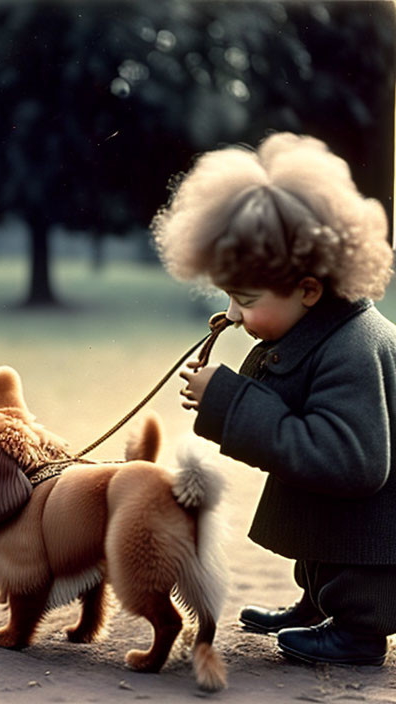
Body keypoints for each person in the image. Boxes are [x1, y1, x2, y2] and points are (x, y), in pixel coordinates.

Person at [151, 133, 396, 666]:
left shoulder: (354, 350)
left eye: (245, 300)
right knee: (324, 541)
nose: (234, 315)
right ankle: (318, 604)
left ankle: (358, 631)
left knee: (359, 564)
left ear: (309, 289)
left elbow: (352, 462)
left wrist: (229, 402)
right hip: (345, 523)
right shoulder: (328, 327)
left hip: (377, 534)